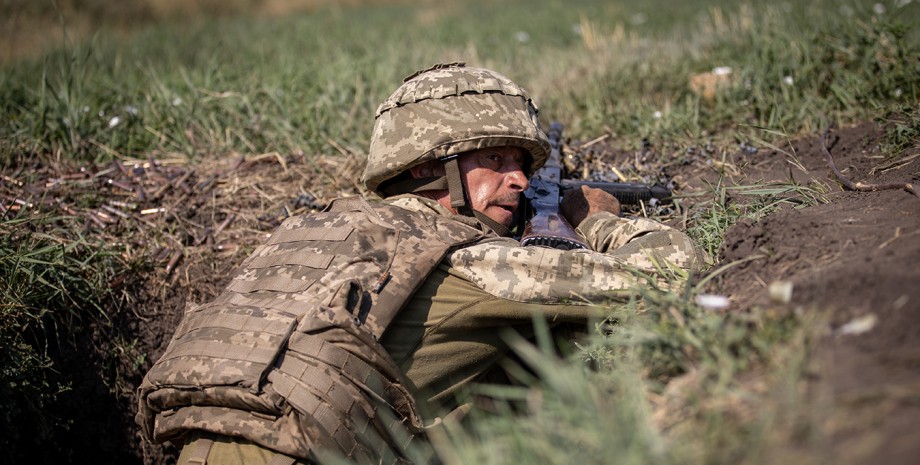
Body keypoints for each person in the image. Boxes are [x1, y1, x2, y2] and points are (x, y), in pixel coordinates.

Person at [136, 62, 702, 465]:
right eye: (496, 159)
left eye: (524, 163)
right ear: (431, 168)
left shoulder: (304, 234)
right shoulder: (466, 261)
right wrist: (596, 220)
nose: (522, 180)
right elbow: (670, 273)